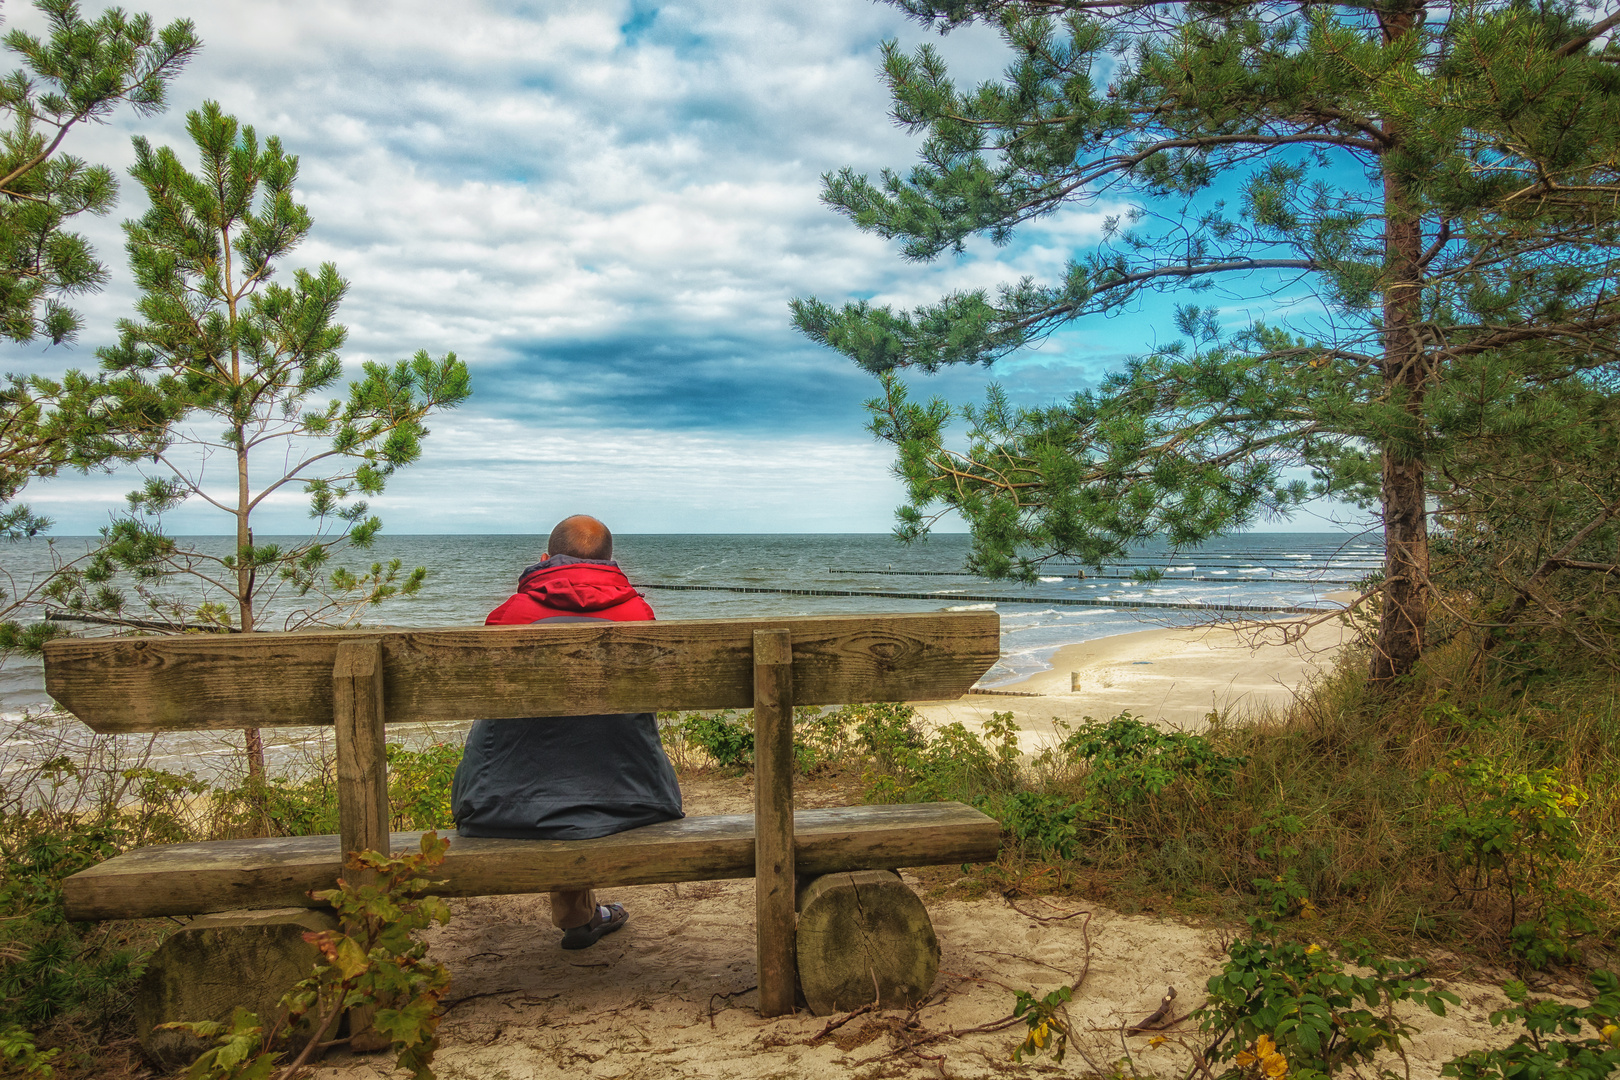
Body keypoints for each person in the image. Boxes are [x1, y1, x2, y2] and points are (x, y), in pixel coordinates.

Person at [450, 514, 683, 950]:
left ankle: (579, 915)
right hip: (632, 795)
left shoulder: (509, 616)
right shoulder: (638, 615)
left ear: (545, 560)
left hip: (502, 801)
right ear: (610, 563)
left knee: (547, 751)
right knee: (589, 747)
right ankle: (580, 916)